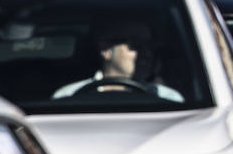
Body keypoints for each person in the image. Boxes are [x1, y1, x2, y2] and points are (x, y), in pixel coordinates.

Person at [53, 19, 183, 102]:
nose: (146, 53)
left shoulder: (168, 99)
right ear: (106, 50)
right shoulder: (68, 97)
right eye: (135, 45)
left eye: (149, 46)